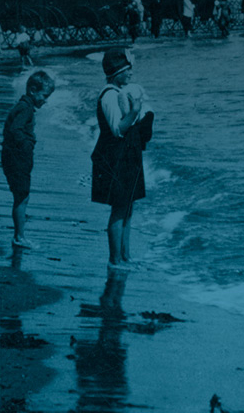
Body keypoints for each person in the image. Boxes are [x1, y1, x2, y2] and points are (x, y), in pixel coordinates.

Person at [91, 49, 156, 267]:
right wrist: (135, 111)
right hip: (114, 158)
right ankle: (115, 259)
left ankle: (126, 256)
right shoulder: (109, 95)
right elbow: (118, 129)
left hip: (127, 156)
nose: (130, 73)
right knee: (119, 208)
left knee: (128, 207)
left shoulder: (119, 90)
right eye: (126, 69)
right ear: (116, 71)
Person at [3, 71, 57, 250]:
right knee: (22, 196)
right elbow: (15, 130)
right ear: (33, 91)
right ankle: (19, 236)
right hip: (17, 158)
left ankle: (19, 234)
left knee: (21, 196)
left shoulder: (23, 106)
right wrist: (28, 144)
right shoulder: (25, 108)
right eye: (44, 96)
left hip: (15, 157)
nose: (45, 100)